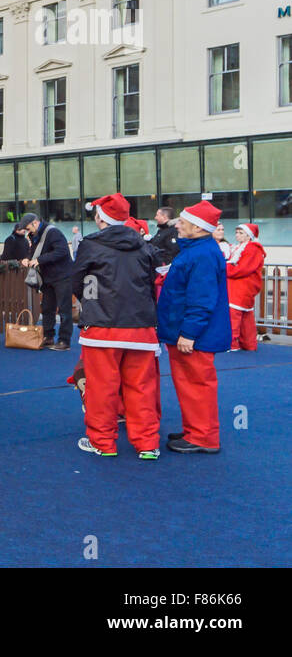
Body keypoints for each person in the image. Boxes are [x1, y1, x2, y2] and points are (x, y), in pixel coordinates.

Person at [71, 194, 162, 460]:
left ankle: (103, 442)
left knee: (102, 387)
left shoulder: (90, 245)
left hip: (101, 327)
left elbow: (78, 280)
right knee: (142, 387)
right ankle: (147, 443)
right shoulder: (145, 245)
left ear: (100, 217)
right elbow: (152, 282)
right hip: (141, 327)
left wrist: (91, 302)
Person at [156, 200, 230, 454]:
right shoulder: (199, 250)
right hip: (189, 332)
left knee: (196, 385)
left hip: (193, 335)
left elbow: (201, 299)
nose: (178, 224)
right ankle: (195, 429)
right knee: (190, 385)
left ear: (198, 228)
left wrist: (189, 333)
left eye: (184, 222)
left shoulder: (202, 254)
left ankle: (203, 437)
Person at [19, 212, 74, 351]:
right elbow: (33, 251)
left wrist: (40, 260)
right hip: (48, 277)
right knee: (47, 308)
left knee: (64, 309)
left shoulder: (53, 233)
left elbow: (62, 251)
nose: (27, 231)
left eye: (27, 228)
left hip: (62, 276)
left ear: (35, 223)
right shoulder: (34, 235)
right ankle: (48, 337)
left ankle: (64, 340)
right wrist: (27, 258)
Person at [226, 223, 265, 351]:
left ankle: (233, 343)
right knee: (246, 317)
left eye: (241, 233)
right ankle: (248, 344)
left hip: (242, 286)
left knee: (234, 315)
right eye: (237, 232)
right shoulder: (241, 247)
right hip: (241, 285)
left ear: (249, 236)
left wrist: (225, 268)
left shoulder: (252, 249)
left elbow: (242, 269)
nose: (237, 235)